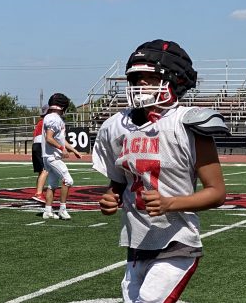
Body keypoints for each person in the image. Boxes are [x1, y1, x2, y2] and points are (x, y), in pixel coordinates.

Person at [92, 39, 227, 302]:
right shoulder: (115, 126)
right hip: (137, 242)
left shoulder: (188, 123)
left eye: (150, 77)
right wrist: (110, 197)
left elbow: (217, 193)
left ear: (175, 80)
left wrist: (170, 203)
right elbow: (118, 182)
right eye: (136, 78)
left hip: (177, 242)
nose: (140, 84)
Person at [41, 93, 81, 220]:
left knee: (52, 184)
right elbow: (49, 138)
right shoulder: (54, 119)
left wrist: (74, 150)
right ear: (62, 106)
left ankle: (48, 211)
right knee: (68, 180)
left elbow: (61, 140)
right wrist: (62, 149)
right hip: (52, 156)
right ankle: (62, 210)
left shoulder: (52, 117)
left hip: (50, 156)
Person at [30, 104, 49, 203]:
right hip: (40, 146)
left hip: (35, 146)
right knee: (45, 170)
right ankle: (39, 193)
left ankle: (38, 191)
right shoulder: (46, 122)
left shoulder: (39, 122)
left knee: (41, 171)